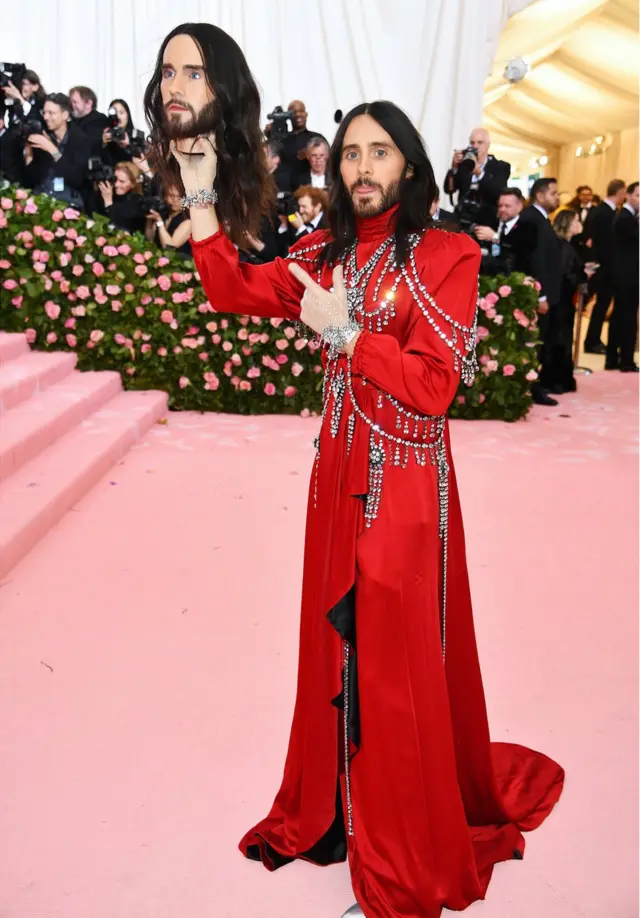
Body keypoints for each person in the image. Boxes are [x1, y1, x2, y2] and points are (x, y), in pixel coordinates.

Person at [150, 27, 565, 916]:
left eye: (380, 152)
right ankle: (338, 810)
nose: (362, 167)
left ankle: (401, 848)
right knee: (338, 652)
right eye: (349, 155)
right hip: (334, 480)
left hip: (409, 493)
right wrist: (200, 195)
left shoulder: (449, 255)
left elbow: (434, 387)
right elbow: (237, 288)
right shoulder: (325, 254)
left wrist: (346, 332)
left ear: (410, 167)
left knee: (394, 670)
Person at [519, 178, 563, 406]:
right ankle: (533, 388)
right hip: (539, 294)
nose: (558, 198)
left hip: (548, 292)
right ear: (540, 195)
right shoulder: (531, 219)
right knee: (535, 343)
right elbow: (533, 260)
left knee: (543, 342)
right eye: (554, 193)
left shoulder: (542, 218)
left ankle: (538, 385)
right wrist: (541, 295)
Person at [549, 210, 597, 393]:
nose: (579, 224)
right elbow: (566, 275)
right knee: (561, 339)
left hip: (562, 299)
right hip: (562, 300)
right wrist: (583, 275)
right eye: (576, 220)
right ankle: (558, 380)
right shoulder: (565, 247)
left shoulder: (565, 246)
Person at [23, 93, 89, 210]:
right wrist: (29, 154)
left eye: (51, 113)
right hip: (41, 200)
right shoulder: (43, 134)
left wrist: (51, 149)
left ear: (65, 115)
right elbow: (31, 178)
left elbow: (77, 179)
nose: (46, 117)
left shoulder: (79, 139)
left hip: (68, 203)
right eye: (44, 112)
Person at [583, 178, 626, 354]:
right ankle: (592, 341)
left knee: (601, 305)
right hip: (604, 268)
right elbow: (605, 244)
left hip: (602, 266)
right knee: (601, 305)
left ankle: (593, 339)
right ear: (620, 192)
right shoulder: (605, 213)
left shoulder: (601, 210)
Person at [443, 127, 510, 232]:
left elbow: (498, 191)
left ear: (488, 145)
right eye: (472, 143)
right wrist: (454, 168)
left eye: (480, 143)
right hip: (462, 219)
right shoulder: (465, 165)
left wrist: (480, 173)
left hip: (485, 223)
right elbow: (449, 190)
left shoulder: (500, 166)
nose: (475, 146)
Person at [606, 181, 639, 372]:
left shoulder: (627, 217)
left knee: (620, 318)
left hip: (626, 276)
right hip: (627, 277)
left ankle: (614, 358)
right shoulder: (625, 218)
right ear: (627, 195)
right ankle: (626, 360)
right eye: (638, 195)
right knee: (625, 319)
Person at [474, 187, 537, 275]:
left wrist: (495, 237)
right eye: (500, 206)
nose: (502, 209)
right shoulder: (492, 224)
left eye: (507, 206)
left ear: (519, 207)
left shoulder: (527, 227)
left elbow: (518, 250)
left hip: (514, 277)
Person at [281, 99, 327, 190]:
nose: (298, 114)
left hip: (310, 193)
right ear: (288, 116)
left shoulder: (317, 138)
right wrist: (270, 136)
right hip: (286, 193)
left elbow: (329, 162)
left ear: (306, 114)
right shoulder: (282, 140)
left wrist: (311, 154)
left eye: (301, 111)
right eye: (294, 112)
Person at [97, 161, 146, 234]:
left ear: (133, 184)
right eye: (115, 179)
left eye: (122, 181)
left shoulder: (136, 202)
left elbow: (117, 229)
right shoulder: (109, 194)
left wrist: (108, 202)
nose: (116, 184)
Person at [145, 183, 193, 257]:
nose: (171, 200)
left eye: (175, 196)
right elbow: (150, 238)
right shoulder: (164, 215)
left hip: (178, 264)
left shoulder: (188, 221)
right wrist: (149, 221)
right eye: (169, 195)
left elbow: (169, 247)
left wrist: (160, 222)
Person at [69, 85, 109, 159]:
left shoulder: (98, 120)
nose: (71, 105)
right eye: (71, 102)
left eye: (75, 102)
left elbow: (87, 146)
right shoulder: (72, 120)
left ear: (89, 103)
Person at [101, 98, 135, 166]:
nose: (118, 116)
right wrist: (103, 144)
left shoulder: (135, 136)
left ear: (127, 115)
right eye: (114, 113)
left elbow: (139, 164)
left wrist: (128, 147)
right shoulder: (105, 135)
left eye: (121, 113)